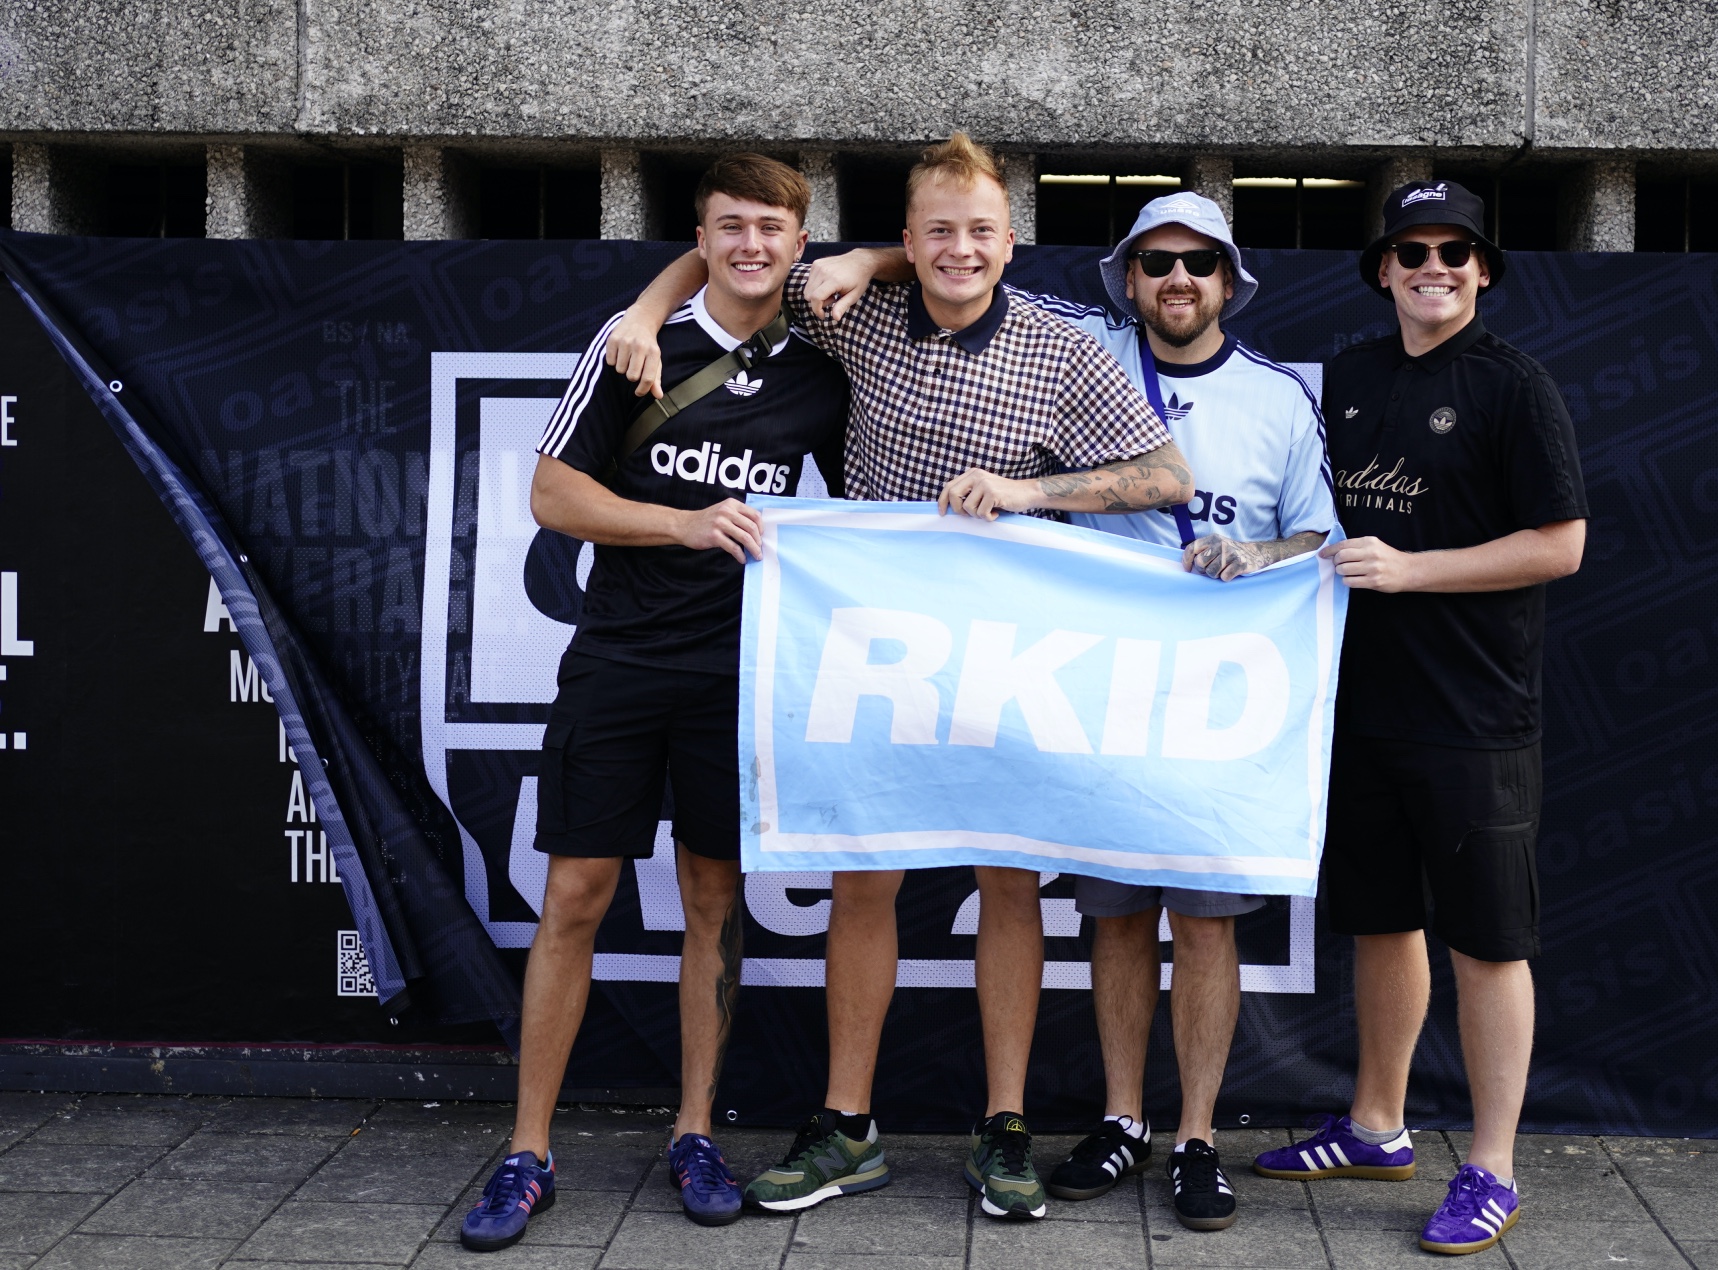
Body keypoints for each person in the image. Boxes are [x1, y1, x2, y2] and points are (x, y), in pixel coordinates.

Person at [604, 133, 1194, 1222]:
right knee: (862, 876)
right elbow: (731, 257)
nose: (958, 250)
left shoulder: (1063, 349)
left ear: (1010, 243)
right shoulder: (855, 312)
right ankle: (846, 1124)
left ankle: (1004, 1124)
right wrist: (640, 319)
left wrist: (1032, 495)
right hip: (871, 646)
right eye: (935, 232)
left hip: (1006, 653)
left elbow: (1168, 474)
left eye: (979, 231)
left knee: (1005, 880)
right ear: (908, 242)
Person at [798, 188, 1333, 1232]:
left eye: (1199, 263)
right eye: (1156, 262)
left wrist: (1255, 554)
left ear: (1230, 280)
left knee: (1204, 921)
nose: (1177, 280)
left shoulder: (1276, 397)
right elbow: (958, 255)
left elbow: (1317, 537)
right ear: (1123, 279)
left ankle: (1196, 1139)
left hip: (1210, 689)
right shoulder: (1078, 339)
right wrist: (867, 260)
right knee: (1114, 914)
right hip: (1079, 678)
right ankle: (1122, 1120)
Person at [458, 154, 850, 1249]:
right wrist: (680, 522)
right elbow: (552, 492)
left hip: (738, 674)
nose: (750, 246)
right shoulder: (634, 346)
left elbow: (917, 275)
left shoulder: (821, 367)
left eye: (770, 228)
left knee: (712, 907)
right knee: (574, 895)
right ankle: (526, 1151)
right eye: (729, 227)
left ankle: (693, 1132)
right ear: (703, 235)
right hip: (619, 662)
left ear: (793, 241)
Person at [1250, 180, 1587, 1257]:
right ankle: (1374, 1126)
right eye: (1410, 249)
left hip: (1474, 714)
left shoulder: (1513, 388)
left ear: (1482, 268)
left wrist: (1411, 571)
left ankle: (1489, 1167)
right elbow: (1322, 524)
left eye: (1453, 250)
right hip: (1356, 705)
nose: (1430, 266)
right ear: (1382, 268)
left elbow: (1558, 544)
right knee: (1382, 923)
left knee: (1487, 944)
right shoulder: (1346, 374)